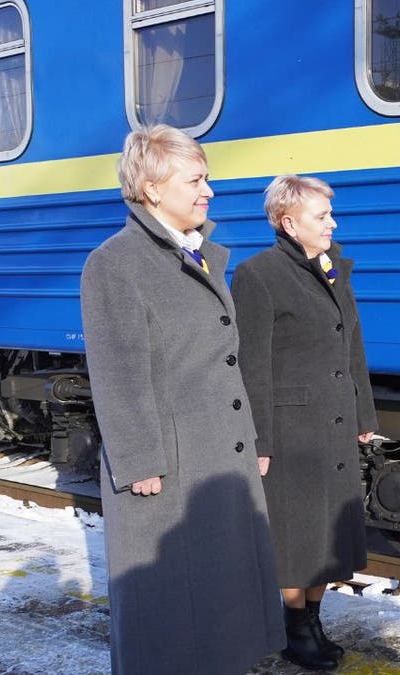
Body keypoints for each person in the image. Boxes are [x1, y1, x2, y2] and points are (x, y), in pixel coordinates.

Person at [79, 125, 286, 674]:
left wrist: (252, 439)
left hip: (218, 453)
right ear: (151, 188)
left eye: (206, 178)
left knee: (221, 598)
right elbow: (118, 369)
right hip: (170, 463)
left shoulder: (197, 254)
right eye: (196, 179)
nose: (208, 191)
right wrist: (139, 459)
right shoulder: (116, 261)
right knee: (169, 609)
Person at [232, 175, 378, 670]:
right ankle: (297, 628)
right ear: (290, 223)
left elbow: (352, 344)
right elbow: (250, 364)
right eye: (323, 216)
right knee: (299, 537)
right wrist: (260, 440)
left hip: (334, 423)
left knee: (328, 536)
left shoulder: (335, 267)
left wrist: (363, 412)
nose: (333, 223)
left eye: (331, 215)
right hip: (292, 430)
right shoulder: (258, 275)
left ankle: (312, 620)